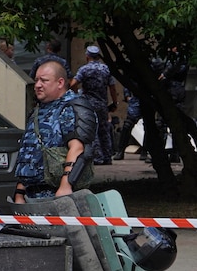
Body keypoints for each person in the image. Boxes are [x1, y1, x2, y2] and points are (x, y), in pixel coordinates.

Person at [13, 60, 97, 202]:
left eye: (44, 80)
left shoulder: (73, 107)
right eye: (36, 80)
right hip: (31, 197)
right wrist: (20, 193)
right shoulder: (37, 111)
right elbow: (28, 153)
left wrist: (65, 187)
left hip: (60, 196)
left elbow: (79, 149)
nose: (38, 85)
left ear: (60, 82)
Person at [70, 45, 117, 165]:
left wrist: (77, 95)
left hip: (88, 104)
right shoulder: (105, 69)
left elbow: (73, 83)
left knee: (92, 130)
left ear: (87, 56)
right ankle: (107, 156)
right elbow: (112, 87)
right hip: (102, 104)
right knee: (104, 130)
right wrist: (115, 102)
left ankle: (97, 157)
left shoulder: (84, 70)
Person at [114, 87, 142, 160]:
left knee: (150, 127)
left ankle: (145, 152)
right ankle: (120, 150)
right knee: (127, 126)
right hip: (135, 100)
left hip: (147, 99)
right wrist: (127, 96)